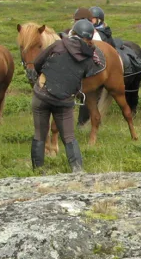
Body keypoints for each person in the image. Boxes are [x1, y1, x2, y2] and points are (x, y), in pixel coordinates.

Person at [31, 19, 105, 173]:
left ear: (74, 32)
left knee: (40, 134)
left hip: (42, 95)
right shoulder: (90, 57)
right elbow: (87, 74)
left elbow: (37, 62)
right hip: (64, 100)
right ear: (90, 38)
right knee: (70, 137)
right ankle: (77, 170)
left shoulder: (59, 44)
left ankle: (37, 172)